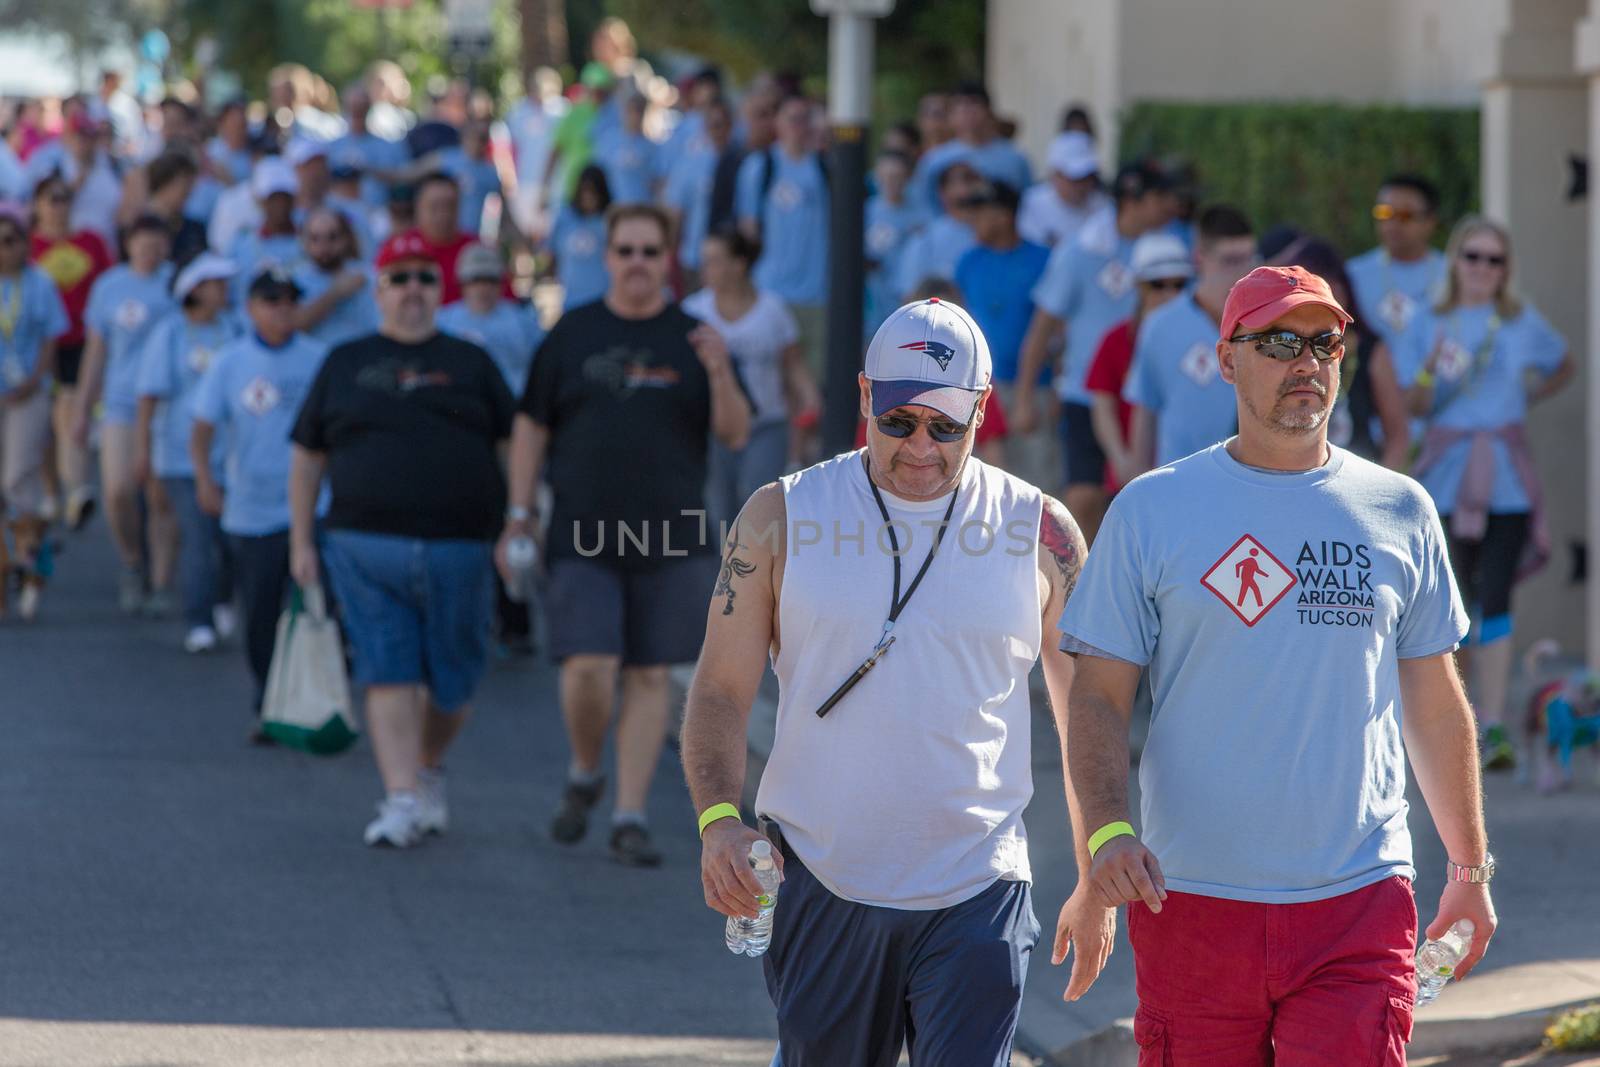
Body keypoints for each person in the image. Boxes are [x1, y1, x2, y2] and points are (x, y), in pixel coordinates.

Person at [1059, 264, 1499, 1065]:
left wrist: (1469, 865)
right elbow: (1096, 699)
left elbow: (1435, 705)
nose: (1307, 362)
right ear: (1227, 359)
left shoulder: (1399, 508)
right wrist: (1106, 837)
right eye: (1279, 342)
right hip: (1191, 896)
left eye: (1324, 343)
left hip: (1358, 899)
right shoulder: (1155, 508)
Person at [681, 296, 1105, 1066]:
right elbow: (719, 690)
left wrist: (1096, 861)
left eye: (947, 427)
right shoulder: (781, 514)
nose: (920, 447)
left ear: (983, 410)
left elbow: (1088, 712)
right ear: (866, 396)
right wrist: (718, 819)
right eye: (900, 421)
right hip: (826, 879)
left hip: (980, 884)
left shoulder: (1041, 532)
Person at [498, 203, 751, 867]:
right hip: (582, 531)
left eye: (649, 251)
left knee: (645, 675)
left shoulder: (696, 337)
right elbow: (530, 427)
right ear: (607, 256)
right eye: (625, 250)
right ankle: (587, 767)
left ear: (667, 259)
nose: (637, 262)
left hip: (673, 537)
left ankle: (629, 813)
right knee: (588, 665)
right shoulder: (572, 334)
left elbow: (736, 431)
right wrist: (518, 513)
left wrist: (721, 368)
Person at [289, 231, 515, 846]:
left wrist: (520, 520)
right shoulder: (343, 361)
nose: (413, 289)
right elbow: (308, 457)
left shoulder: (472, 362)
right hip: (364, 547)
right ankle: (401, 798)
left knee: (456, 680)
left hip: (462, 548)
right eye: (399, 277)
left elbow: (511, 445)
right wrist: (301, 541)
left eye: (424, 277)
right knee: (387, 671)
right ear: (379, 288)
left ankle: (427, 767)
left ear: (438, 290)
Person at [1394, 216, 1574, 772]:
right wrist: (1427, 374)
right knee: (1448, 606)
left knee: (1493, 599)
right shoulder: (1428, 320)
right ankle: (1453, 723)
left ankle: (1491, 725)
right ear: (1455, 260)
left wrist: (1526, 400)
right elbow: (1414, 407)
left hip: (1505, 481)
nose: (1481, 269)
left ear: (1506, 269)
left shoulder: (1521, 323)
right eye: (1472, 256)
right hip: (1445, 480)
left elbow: (1563, 363)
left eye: (1493, 260)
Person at [190, 267, 329, 734]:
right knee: (262, 611)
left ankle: (318, 699)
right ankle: (267, 701)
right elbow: (203, 426)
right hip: (253, 510)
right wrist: (206, 480)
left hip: (315, 506)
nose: (283, 309)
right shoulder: (230, 362)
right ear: (251, 308)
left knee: (320, 608)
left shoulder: (319, 358)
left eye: (291, 299)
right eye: (272, 300)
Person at [1014, 161, 1171, 540]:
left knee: (1140, 500)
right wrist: (1023, 397)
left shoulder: (1170, 250)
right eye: (1161, 197)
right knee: (1082, 497)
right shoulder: (1079, 251)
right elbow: (1042, 327)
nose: (1170, 205)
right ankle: (1081, 585)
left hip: (1148, 396)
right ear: (1135, 201)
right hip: (1086, 393)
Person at [133, 252, 239, 652]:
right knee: (197, 538)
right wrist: (143, 453)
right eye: (217, 284)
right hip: (180, 456)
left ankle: (223, 598)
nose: (225, 291)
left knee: (231, 539)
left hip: (231, 457)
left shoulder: (235, 328)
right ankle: (199, 618)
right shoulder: (170, 333)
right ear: (195, 289)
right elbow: (147, 397)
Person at [683, 227, 818, 530]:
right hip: (713, 428)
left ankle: (759, 576)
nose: (707, 269)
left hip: (766, 424)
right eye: (705, 261)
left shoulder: (773, 310)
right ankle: (723, 575)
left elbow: (793, 364)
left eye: (715, 261)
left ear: (738, 264)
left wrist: (809, 398)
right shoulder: (693, 311)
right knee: (717, 511)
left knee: (757, 507)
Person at [75, 215, 176, 612]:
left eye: (157, 242)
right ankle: (133, 561)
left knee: (160, 495)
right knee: (118, 489)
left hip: (168, 404)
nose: (150, 250)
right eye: (142, 242)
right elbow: (96, 350)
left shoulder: (176, 282)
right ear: (128, 244)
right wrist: (83, 407)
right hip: (120, 402)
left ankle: (163, 580)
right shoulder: (110, 286)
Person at [1123, 204, 1258, 476]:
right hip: (1179, 479)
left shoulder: (1265, 321)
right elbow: (1146, 407)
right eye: (1230, 261)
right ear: (1200, 258)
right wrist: (1137, 480)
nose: (1242, 271)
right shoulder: (1160, 324)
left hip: (1252, 478)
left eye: (1249, 258)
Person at [1273, 237, 1411, 469]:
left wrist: (1382, 495)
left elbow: (1398, 435)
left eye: (1330, 285)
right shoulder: (1273, 348)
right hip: (1293, 482)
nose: (1324, 296)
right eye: (1309, 289)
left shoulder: (1372, 351)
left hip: (1360, 483)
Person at [954, 180, 1052, 488]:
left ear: (1004, 216)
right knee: (981, 485)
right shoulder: (969, 262)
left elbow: (1055, 332)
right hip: (979, 389)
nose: (973, 220)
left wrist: (1026, 396)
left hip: (1034, 388)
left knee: (1036, 482)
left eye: (981, 212)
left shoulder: (1042, 261)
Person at [30, 173, 112, 528]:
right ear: (38, 205)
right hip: (39, 346)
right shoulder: (25, 247)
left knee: (70, 407)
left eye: (64, 198)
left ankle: (76, 488)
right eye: (51, 198)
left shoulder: (91, 242)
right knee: (45, 422)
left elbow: (109, 287)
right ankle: (52, 491)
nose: (58, 205)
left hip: (82, 341)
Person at [0, 200, 69, 620]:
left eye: (14, 241)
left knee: (17, 478)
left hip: (28, 391)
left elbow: (50, 338)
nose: (7, 249)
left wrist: (33, 381)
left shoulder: (40, 283)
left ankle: (29, 564)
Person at [1083, 232, 1191, 494]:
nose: (1170, 293)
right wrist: (1120, 458)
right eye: (1158, 284)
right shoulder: (1115, 339)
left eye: (1179, 284)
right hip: (1131, 475)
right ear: (1140, 286)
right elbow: (1103, 406)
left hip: (1187, 472)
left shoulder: (1204, 339)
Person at [736, 94, 829, 380]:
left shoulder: (827, 168)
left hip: (818, 296)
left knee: (812, 387)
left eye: (806, 119)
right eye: (793, 119)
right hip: (772, 291)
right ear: (778, 122)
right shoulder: (760, 167)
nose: (800, 126)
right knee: (773, 383)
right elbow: (747, 229)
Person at [1346, 174, 1448, 350]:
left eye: (1406, 215)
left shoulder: (1452, 273)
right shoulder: (1353, 275)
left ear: (1430, 222)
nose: (1393, 223)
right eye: (1385, 213)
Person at [909, 82, 1031, 218]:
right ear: (951, 116)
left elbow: (1026, 203)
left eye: (973, 104)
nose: (967, 112)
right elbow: (925, 207)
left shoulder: (1014, 158)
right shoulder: (934, 160)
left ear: (988, 111)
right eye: (960, 106)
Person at [436, 242, 543, 394]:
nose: (483, 287)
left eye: (491, 279)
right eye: (476, 279)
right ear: (462, 283)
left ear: (501, 283)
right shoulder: (442, 322)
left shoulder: (523, 322)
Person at [662, 98, 734, 288]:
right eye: (713, 125)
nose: (718, 131)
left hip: (732, 261)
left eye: (722, 125)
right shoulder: (690, 164)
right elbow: (677, 213)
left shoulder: (743, 162)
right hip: (696, 260)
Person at [891, 160, 981, 303]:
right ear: (942, 192)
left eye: (970, 180)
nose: (965, 190)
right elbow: (909, 297)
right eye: (957, 182)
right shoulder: (925, 238)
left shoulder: (993, 237)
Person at [291, 207, 378, 348]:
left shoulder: (367, 276)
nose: (324, 246)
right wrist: (335, 294)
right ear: (304, 243)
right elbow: (292, 326)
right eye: (315, 239)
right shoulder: (294, 281)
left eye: (332, 237)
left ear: (346, 239)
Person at [228, 158, 302, 306]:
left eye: (284, 198)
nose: (280, 205)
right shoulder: (242, 241)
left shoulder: (311, 238)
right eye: (273, 199)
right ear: (261, 201)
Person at [1019, 131, 1110, 250]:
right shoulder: (1031, 204)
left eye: (1088, 177)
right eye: (1075, 178)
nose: (1083, 185)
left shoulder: (1103, 206)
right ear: (1055, 175)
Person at [863, 149, 920, 337]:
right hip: (870, 304)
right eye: (886, 176)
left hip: (904, 303)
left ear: (907, 178)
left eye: (896, 176)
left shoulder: (920, 216)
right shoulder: (865, 212)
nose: (891, 182)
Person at [506, 67, 569, 237]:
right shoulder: (518, 112)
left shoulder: (563, 111)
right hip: (525, 182)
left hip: (557, 184)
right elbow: (511, 147)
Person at [548, 165, 612, 312]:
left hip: (603, 300)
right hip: (571, 300)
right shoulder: (564, 218)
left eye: (593, 192)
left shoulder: (609, 221)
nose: (588, 197)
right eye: (585, 191)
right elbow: (552, 255)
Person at [593, 92, 659, 206]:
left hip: (641, 208)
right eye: (631, 110)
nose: (635, 116)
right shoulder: (609, 140)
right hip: (613, 208)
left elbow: (656, 183)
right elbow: (598, 175)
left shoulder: (651, 148)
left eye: (639, 111)